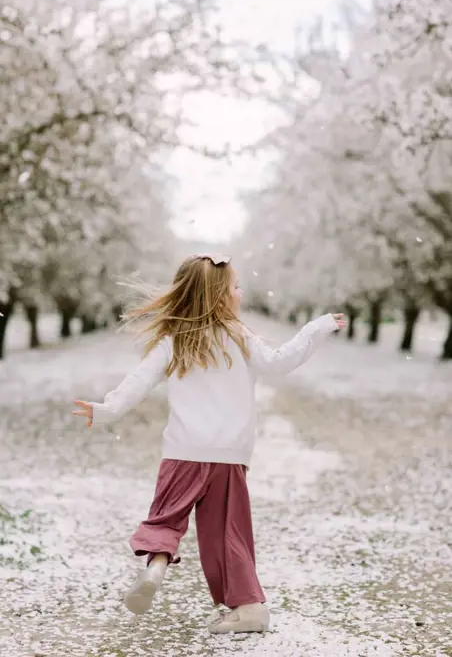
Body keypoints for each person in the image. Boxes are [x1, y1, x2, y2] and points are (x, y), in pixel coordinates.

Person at [72, 253, 346, 634]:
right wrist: (316, 328)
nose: (241, 291)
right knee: (226, 533)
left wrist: (105, 410)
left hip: (184, 452)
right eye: (235, 286)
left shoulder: (174, 341)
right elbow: (281, 361)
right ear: (219, 296)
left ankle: (155, 569)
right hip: (228, 456)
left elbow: (138, 381)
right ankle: (249, 608)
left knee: (165, 519)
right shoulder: (240, 337)